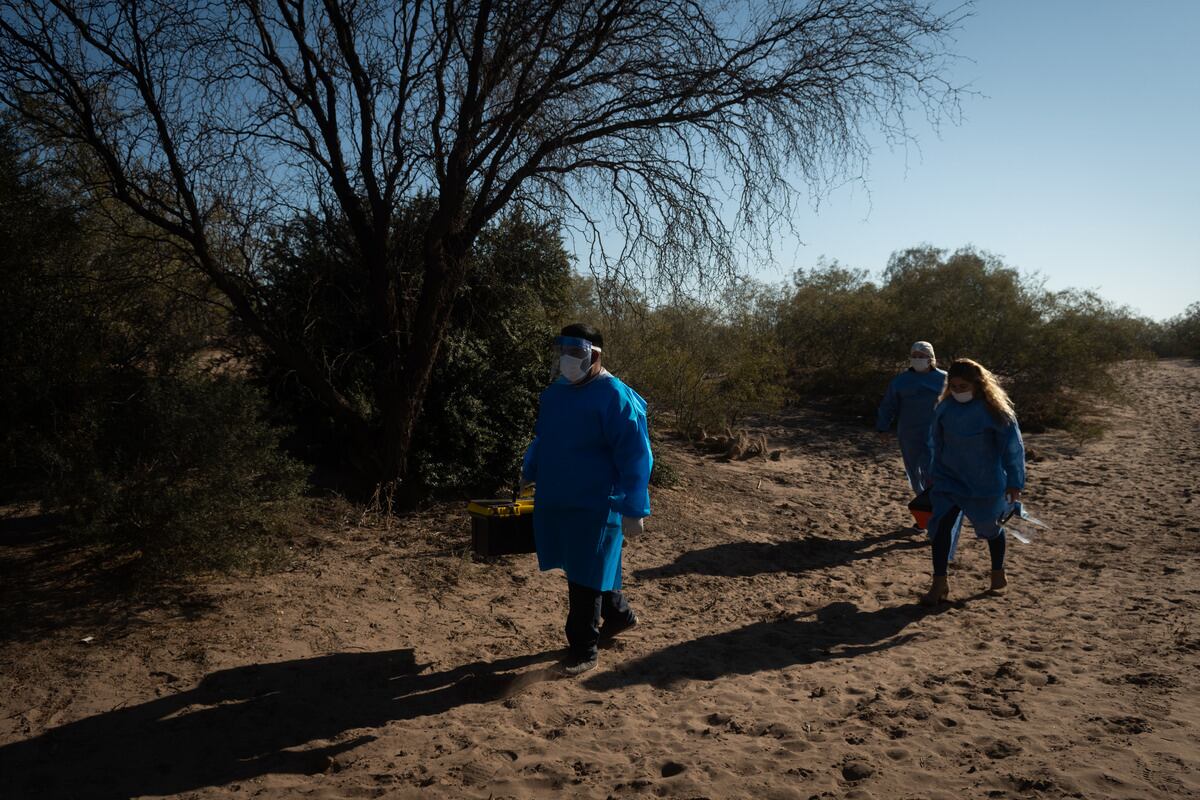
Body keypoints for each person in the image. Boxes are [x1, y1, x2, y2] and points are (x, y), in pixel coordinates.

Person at [522, 323, 652, 676]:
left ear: (595, 355)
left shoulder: (615, 396)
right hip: (558, 497)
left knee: (583, 574)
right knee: (587, 568)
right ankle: (621, 616)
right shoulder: (555, 394)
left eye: (575, 353)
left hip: (598, 503)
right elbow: (544, 437)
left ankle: (583, 649)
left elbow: (636, 455)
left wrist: (634, 506)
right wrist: (529, 468)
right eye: (562, 353)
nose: (567, 360)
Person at [920, 358, 1026, 605]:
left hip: (984, 482)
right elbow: (935, 443)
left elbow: (1013, 450)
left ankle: (998, 573)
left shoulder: (995, 412)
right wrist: (933, 473)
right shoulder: (945, 408)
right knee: (940, 528)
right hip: (949, 478)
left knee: (992, 528)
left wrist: (1014, 482)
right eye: (954, 386)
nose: (958, 391)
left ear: (978, 385)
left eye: (963, 386)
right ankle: (939, 583)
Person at [876, 341, 947, 507]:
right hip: (909, 433)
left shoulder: (945, 379)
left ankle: (936, 508)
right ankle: (923, 506)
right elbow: (888, 405)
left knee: (933, 472)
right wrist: (882, 428)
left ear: (931, 358)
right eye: (914, 356)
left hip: (937, 434)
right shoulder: (901, 381)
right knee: (914, 473)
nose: (917, 359)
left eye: (921, 356)